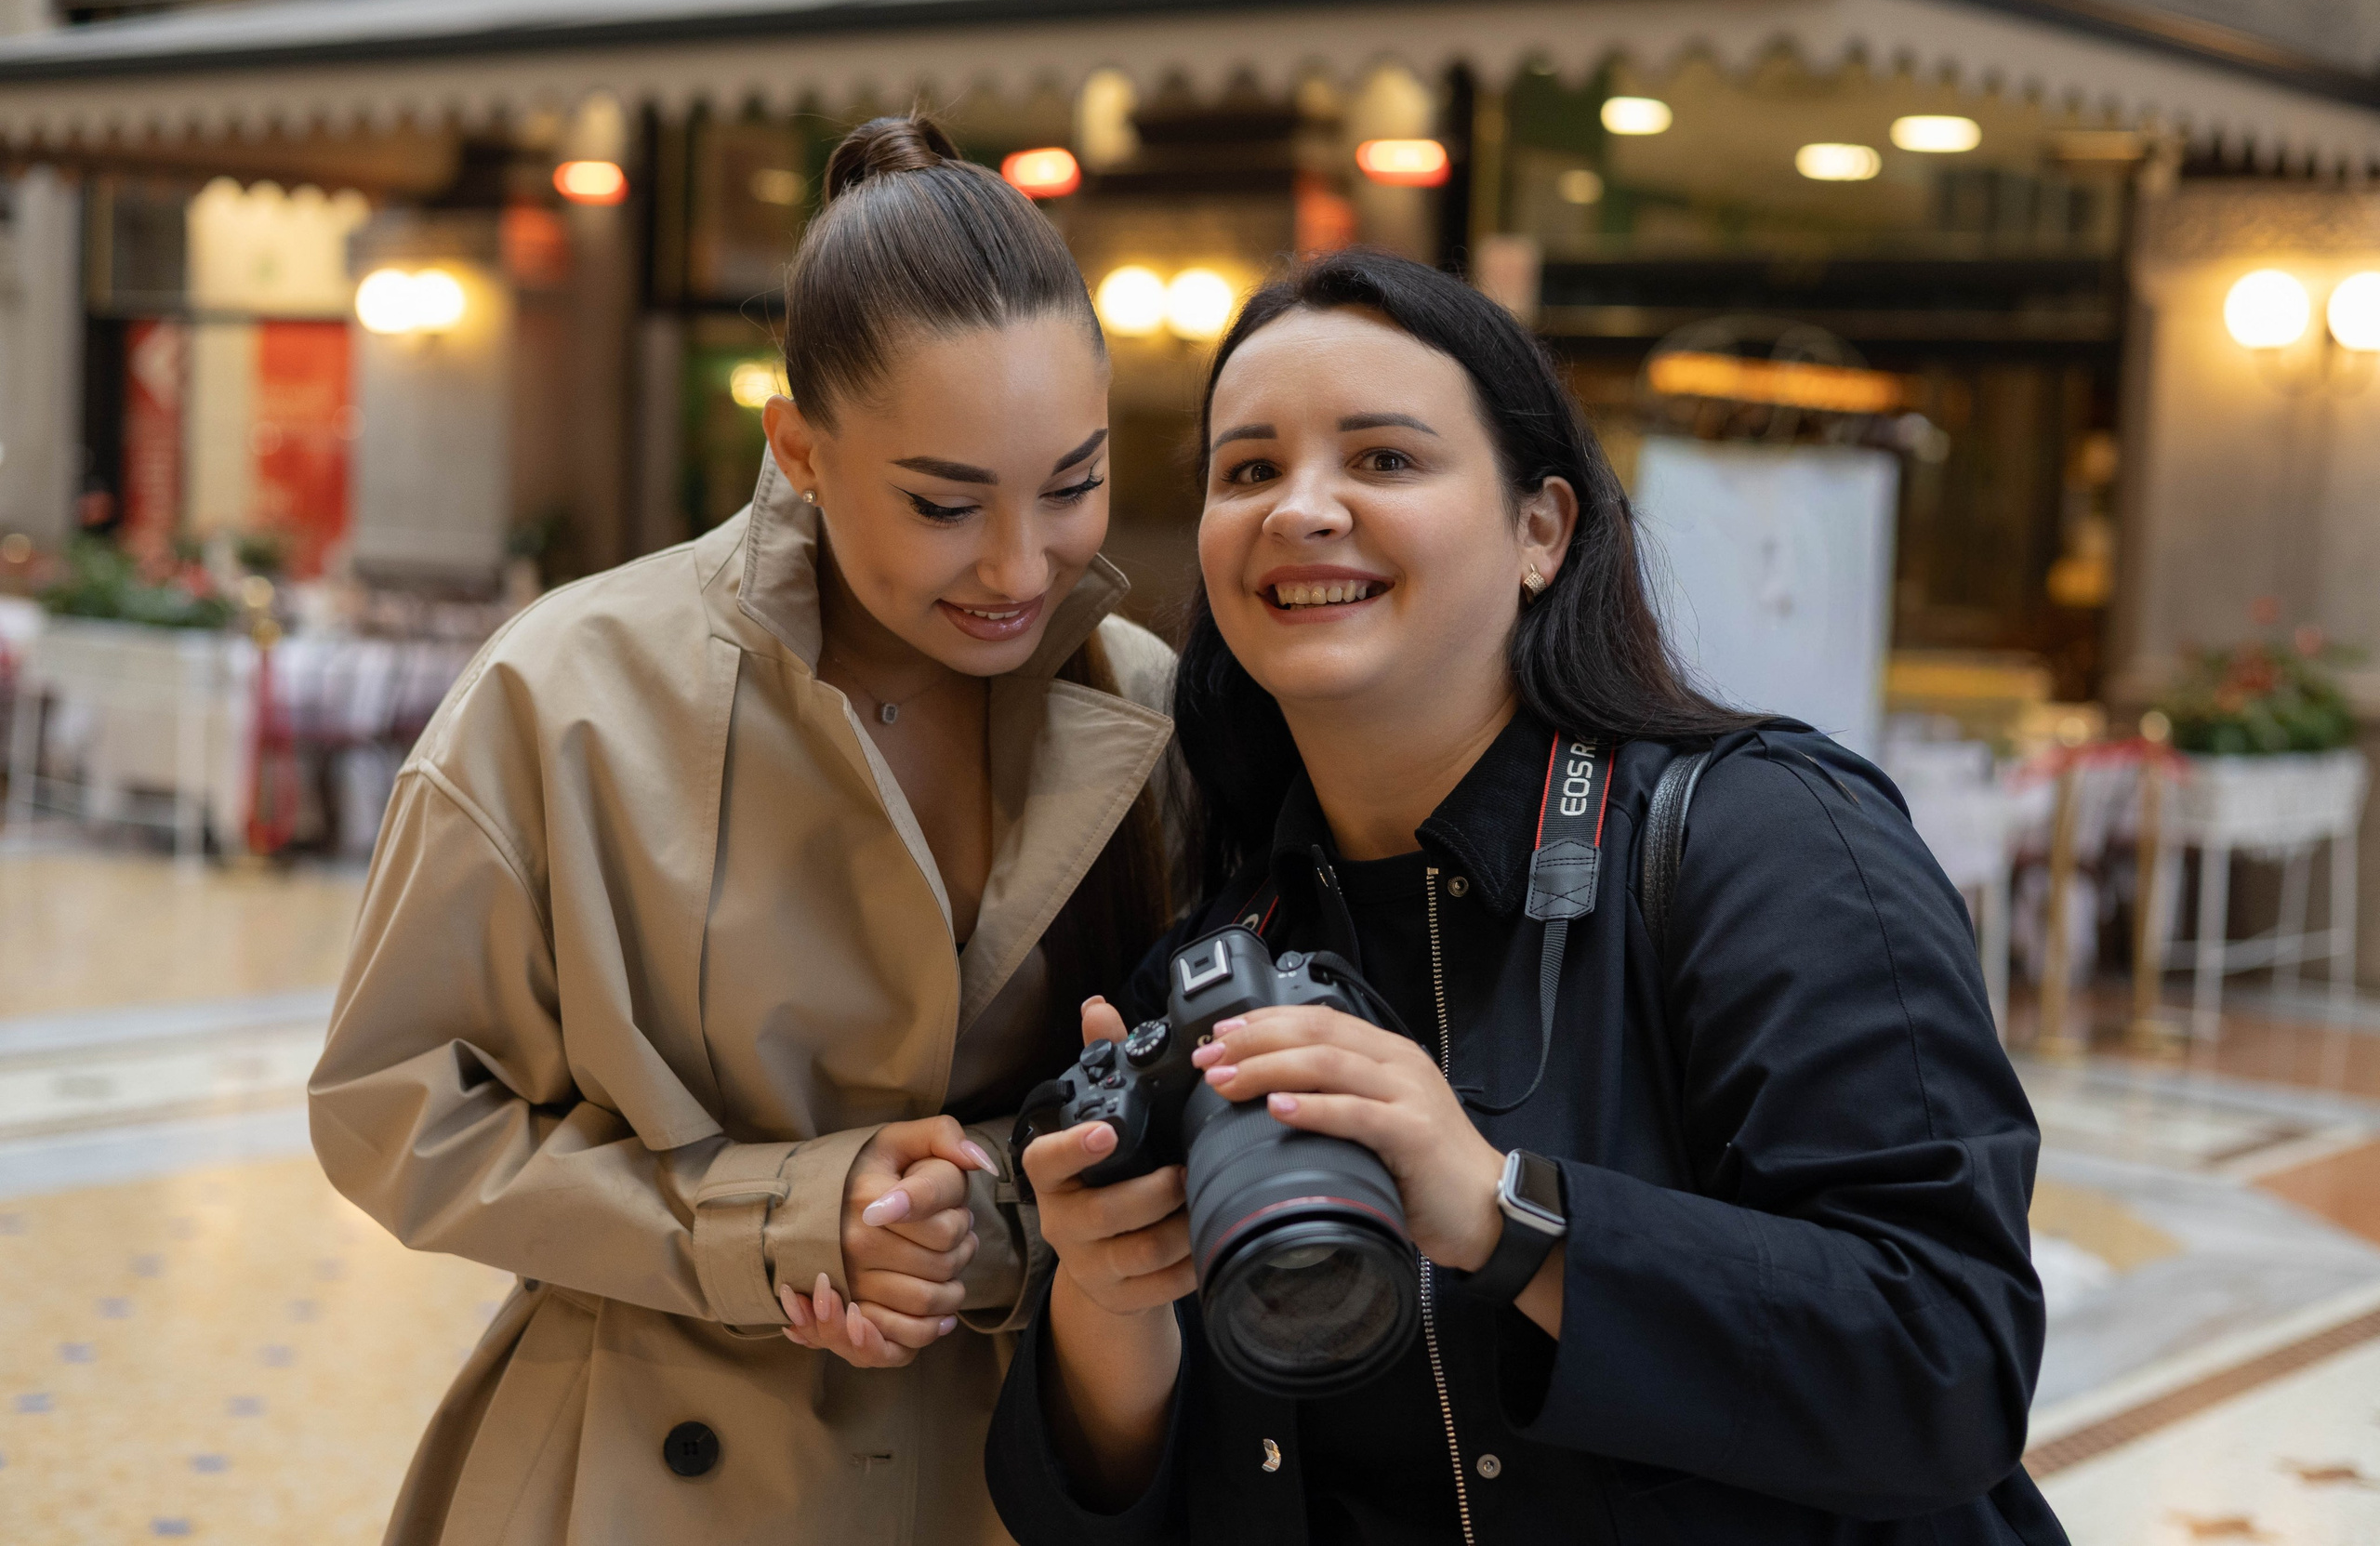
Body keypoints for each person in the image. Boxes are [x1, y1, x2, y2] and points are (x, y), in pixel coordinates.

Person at [991, 250, 2067, 1546]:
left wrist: (1513, 1213)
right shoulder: (1219, 966)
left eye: (1384, 459)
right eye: (1249, 469)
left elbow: (1946, 1362)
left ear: (1541, 530)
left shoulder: (1765, 839)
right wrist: (1108, 1304)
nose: (1302, 510)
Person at [310, 115, 1175, 1546]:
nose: (1022, 566)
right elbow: (395, 1111)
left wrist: (988, 1238)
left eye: (1074, 483)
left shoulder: (1142, 706)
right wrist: (779, 1217)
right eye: (945, 503)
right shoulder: (565, 692)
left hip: (1019, 1469)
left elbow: (1188, 1104)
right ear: (801, 447)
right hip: (637, 1473)